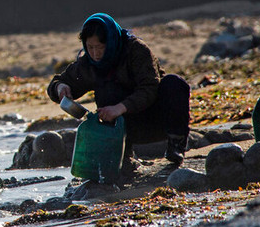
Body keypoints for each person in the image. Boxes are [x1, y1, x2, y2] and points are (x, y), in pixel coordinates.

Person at [48, 12, 190, 177]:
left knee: (174, 83)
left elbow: (149, 89)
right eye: (90, 47)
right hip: (122, 129)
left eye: (100, 47)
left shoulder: (136, 50)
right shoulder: (89, 63)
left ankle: (176, 146)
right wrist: (60, 87)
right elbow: (58, 82)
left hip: (155, 119)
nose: (96, 53)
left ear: (111, 41)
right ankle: (125, 155)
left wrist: (120, 108)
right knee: (107, 89)